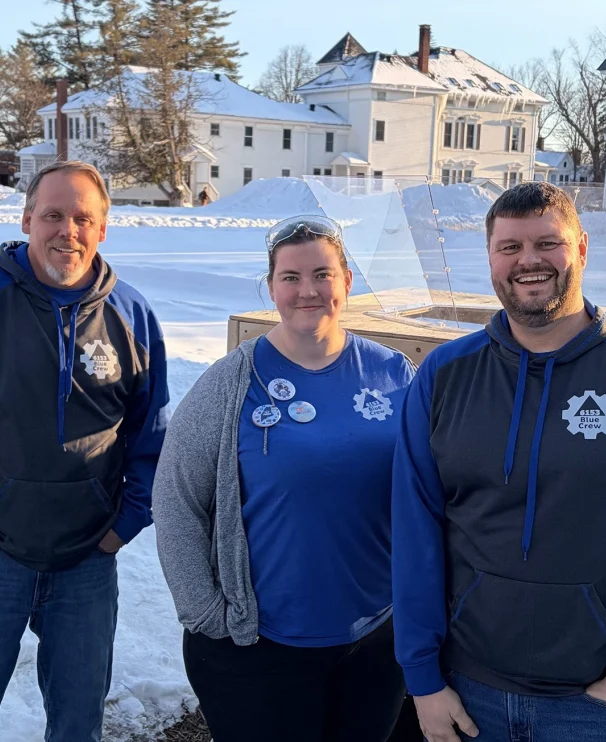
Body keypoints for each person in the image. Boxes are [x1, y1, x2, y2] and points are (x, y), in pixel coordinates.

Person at [391, 182, 606, 742]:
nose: (529, 262)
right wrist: (422, 679)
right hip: (467, 691)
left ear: (582, 248)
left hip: (596, 700)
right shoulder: (445, 374)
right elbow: (414, 531)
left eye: (548, 243)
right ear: (491, 257)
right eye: (510, 247)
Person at [0, 160, 170, 742]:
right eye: (53, 215)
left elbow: (150, 434)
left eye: (83, 218)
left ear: (103, 228)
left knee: (78, 724)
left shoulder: (132, 316)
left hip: (87, 561)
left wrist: (124, 524)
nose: (66, 231)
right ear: (28, 219)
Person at [152, 215, 415, 742]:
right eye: (291, 277)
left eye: (322, 274)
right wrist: (204, 612)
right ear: (272, 286)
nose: (307, 290)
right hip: (260, 645)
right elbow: (176, 499)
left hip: (373, 638)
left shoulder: (394, 375)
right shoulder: (230, 384)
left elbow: (429, 493)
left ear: (346, 281)